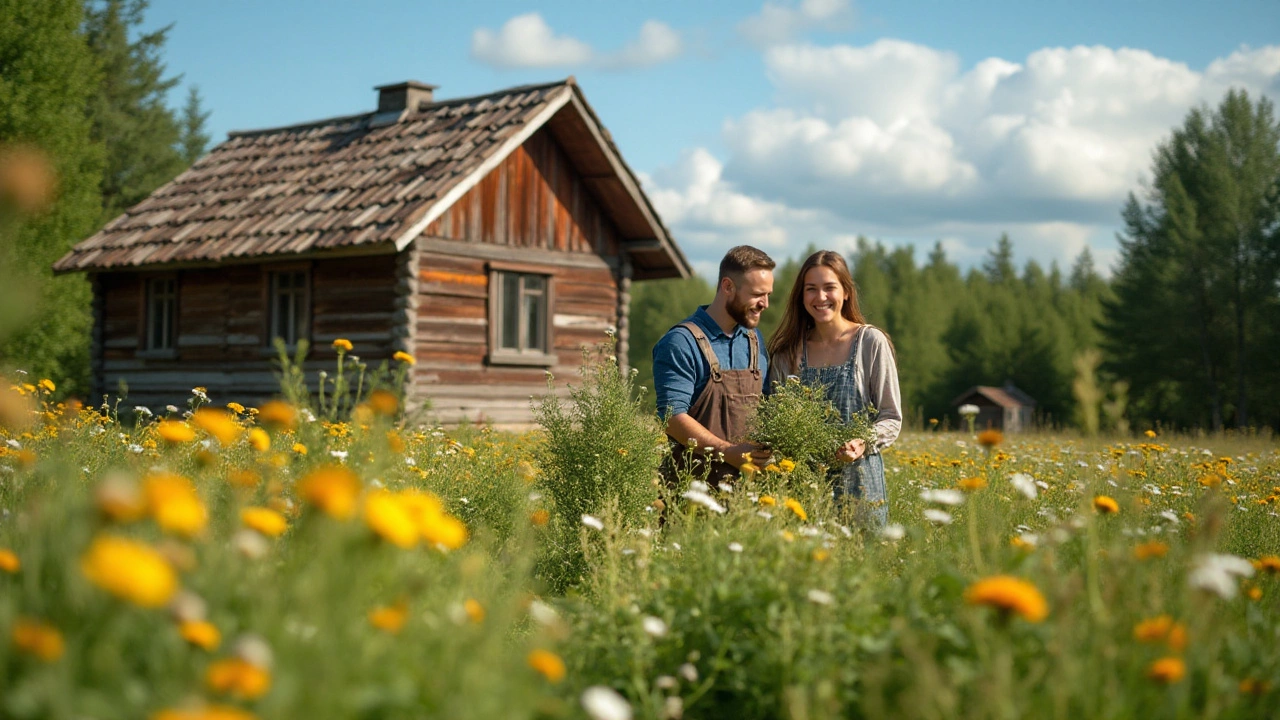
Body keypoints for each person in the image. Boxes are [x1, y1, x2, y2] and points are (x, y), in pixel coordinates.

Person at [766, 250, 901, 527]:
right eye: (811, 289)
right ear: (801, 296)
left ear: (846, 292)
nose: (821, 297)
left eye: (830, 287)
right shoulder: (786, 354)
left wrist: (863, 441)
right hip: (801, 491)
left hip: (862, 488)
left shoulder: (870, 343)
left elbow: (890, 417)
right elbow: (771, 419)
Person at [653, 245, 775, 487]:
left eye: (768, 294)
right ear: (728, 287)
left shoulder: (754, 340)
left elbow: (766, 406)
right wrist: (727, 452)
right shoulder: (681, 341)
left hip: (749, 496)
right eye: (758, 294)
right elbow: (672, 417)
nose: (766, 304)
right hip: (692, 491)